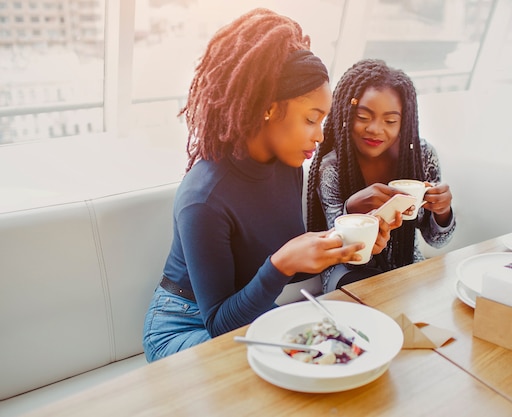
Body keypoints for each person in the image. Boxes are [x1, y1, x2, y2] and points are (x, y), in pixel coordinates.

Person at [142, 10, 395, 362]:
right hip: (183, 329)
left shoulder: (288, 166)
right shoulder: (203, 199)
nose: (320, 135)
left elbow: (295, 261)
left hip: (247, 320)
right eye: (311, 119)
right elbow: (219, 325)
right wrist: (280, 266)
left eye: (323, 120)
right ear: (267, 108)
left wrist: (351, 238)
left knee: (345, 350)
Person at [307, 59, 456, 292]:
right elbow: (341, 253)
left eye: (390, 121)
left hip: (405, 263)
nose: (375, 129)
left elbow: (438, 241)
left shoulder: (422, 157)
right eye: (364, 117)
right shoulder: (332, 168)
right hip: (348, 272)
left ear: (404, 123)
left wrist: (443, 211)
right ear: (347, 114)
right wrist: (351, 209)